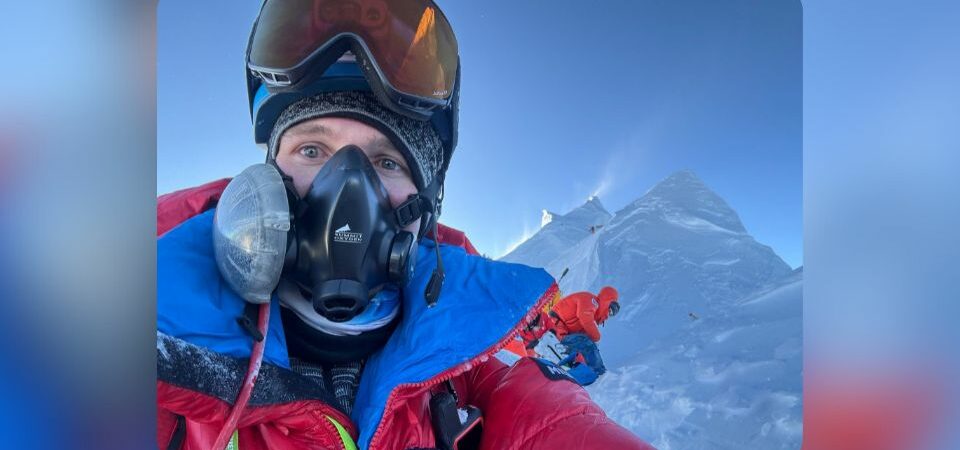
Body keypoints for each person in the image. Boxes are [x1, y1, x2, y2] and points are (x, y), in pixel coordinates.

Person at [156, 1, 654, 449]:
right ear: (266, 182)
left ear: (425, 211)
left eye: (387, 162)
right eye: (311, 150)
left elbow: (551, 427)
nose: (348, 188)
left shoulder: (469, 373)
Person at [549, 286, 621, 385]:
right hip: (556, 325)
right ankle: (598, 374)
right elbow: (585, 317)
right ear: (606, 301)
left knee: (584, 346)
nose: (609, 315)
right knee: (585, 342)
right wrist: (596, 338)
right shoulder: (590, 301)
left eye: (612, 314)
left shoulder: (593, 313)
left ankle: (572, 373)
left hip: (565, 332)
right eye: (611, 310)